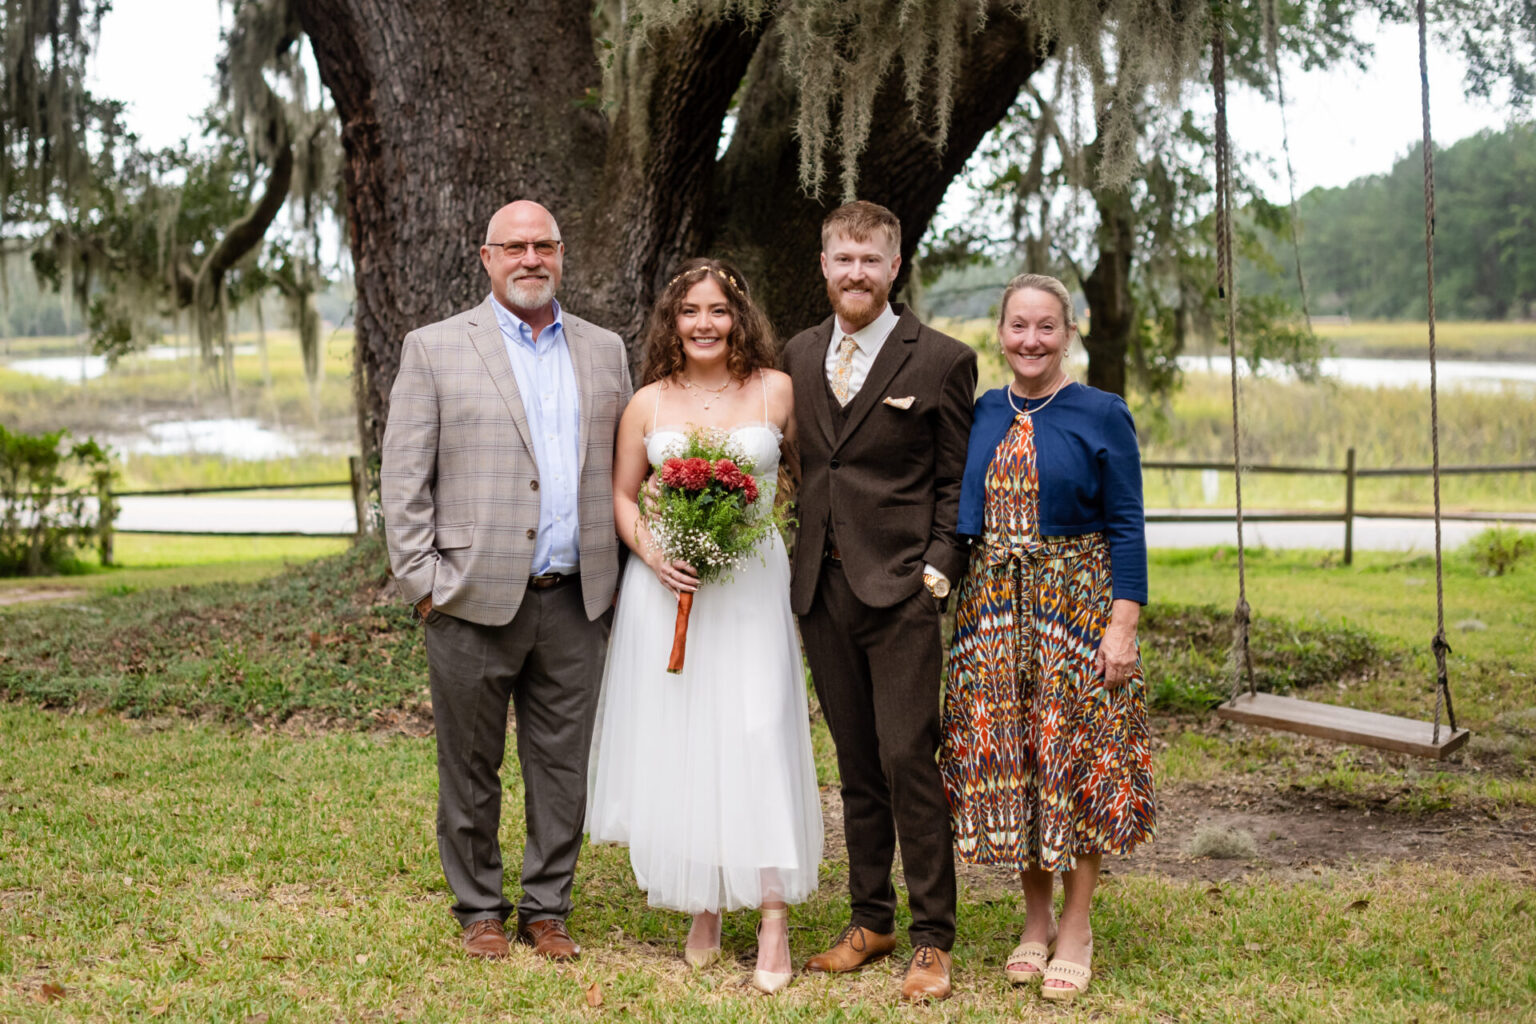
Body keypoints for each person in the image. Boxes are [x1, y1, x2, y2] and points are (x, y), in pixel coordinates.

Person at [380, 200, 632, 962]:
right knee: (470, 764)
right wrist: (424, 583)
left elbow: (626, 470)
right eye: (514, 246)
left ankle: (547, 907)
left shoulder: (605, 350)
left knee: (562, 766)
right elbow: (402, 480)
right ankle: (480, 908)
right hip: (469, 597)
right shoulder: (434, 349)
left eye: (544, 245)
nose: (531, 258)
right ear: (486, 257)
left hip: (576, 598)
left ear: (562, 254)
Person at [586, 258, 822, 995]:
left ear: (739, 316)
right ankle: (705, 902)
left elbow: (819, 478)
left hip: (751, 582)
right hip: (670, 586)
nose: (704, 324)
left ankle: (774, 911)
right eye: (690, 311)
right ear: (672, 321)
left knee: (756, 730)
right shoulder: (648, 405)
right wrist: (656, 556)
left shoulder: (777, 390)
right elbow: (624, 497)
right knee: (689, 733)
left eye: (718, 310)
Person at [938, 273, 1155, 1003]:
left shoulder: (1102, 413)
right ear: (999, 332)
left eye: (1046, 327)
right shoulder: (980, 413)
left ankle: (1077, 925)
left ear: (1068, 333)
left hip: (1076, 605)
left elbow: (1128, 525)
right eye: (1018, 326)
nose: (1031, 340)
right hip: (994, 612)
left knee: (1073, 762)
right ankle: (1034, 919)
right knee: (1019, 766)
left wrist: (1122, 624)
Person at [780, 201, 977, 1002]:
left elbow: (956, 482)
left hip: (900, 590)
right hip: (819, 589)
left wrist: (937, 569)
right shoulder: (794, 355)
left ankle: (932, 938)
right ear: (823, 265)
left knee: (907, 760)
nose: (855, 272)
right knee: (857, 764)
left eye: (870, 259)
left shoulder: (940, 359)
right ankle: (872, 918)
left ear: (894, 267)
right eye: (841, 258)